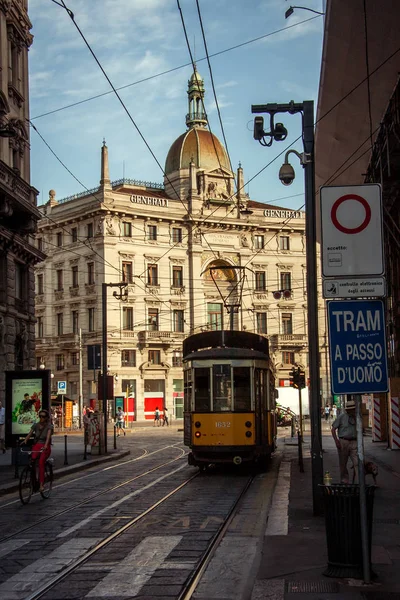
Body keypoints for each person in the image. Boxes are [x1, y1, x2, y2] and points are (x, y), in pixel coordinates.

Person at [21, 409, 53, 492]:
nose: (41, 418)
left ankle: (41, 484)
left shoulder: (49, 426)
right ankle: (34, 480)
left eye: (43, 416)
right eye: (40, 416)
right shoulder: (36, 425)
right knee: (32, 461)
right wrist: (25, 440)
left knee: (41, 462)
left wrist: (46, 445)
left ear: (46, 418)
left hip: (45, 447)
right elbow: (30, 433)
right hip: (36, 446)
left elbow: (48, 437)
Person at [331, 399, 357, 484]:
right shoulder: (342, 417)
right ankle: (344, 480)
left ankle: (359, 479)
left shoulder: (357, 417)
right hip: (343, 441)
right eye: (350, 409)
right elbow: (333, 429)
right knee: (343, 463)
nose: (352, 411)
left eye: (353, 409)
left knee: (357, 462)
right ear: (347, 410)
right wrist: (336, 441)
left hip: (354, 441)